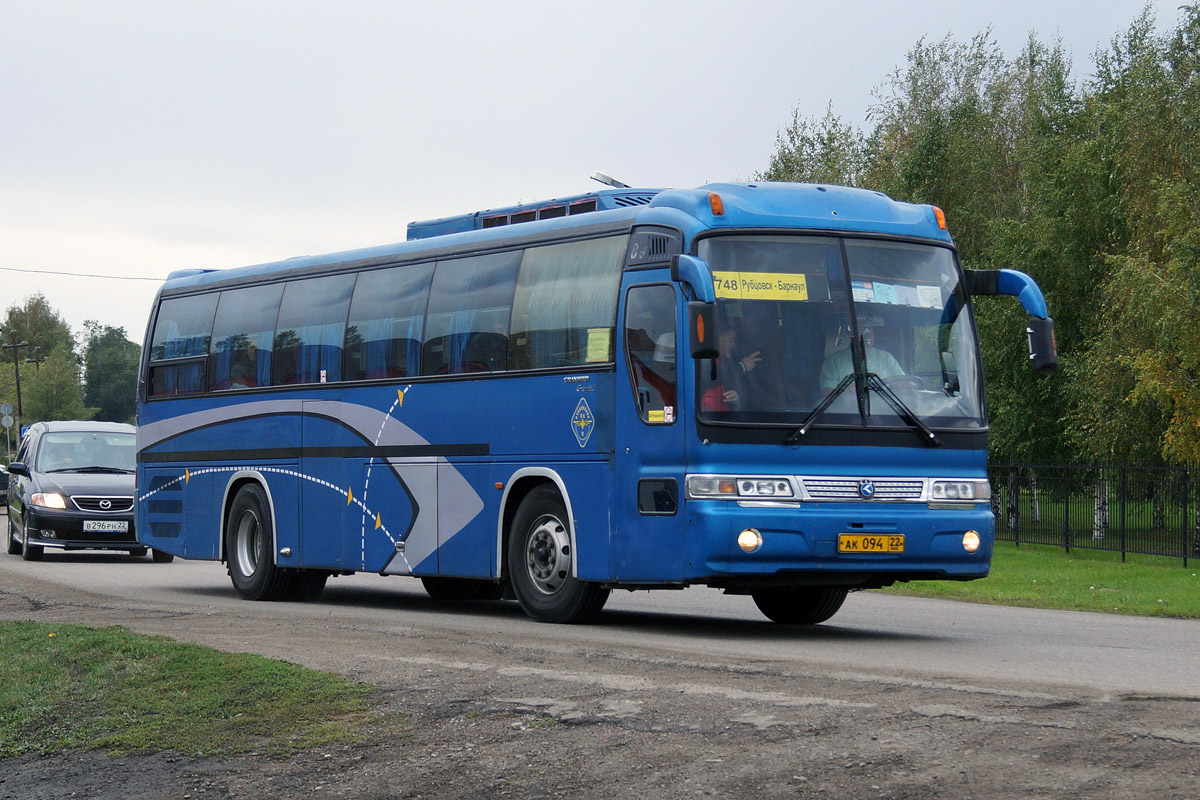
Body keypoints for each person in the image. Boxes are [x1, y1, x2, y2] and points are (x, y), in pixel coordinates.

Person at [819, 326, 904, 391]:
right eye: (863, 332)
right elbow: (826, 393)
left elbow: (902, 382)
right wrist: (843, 391)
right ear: (851, 335)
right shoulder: (833, 362)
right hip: (846, 411)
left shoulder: (886, 357)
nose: (868, 336)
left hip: (885, 410)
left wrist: (906, 386)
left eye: (870, 333)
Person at [701, 327, 762, 411]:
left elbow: (744, 394)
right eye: (731, 340)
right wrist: (742, 366)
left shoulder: (728, 363)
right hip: (706, 418)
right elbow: (712, 377)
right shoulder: (703, 360)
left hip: (728, 418)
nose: (734, 346)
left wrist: (736, 398)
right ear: (719, 337)